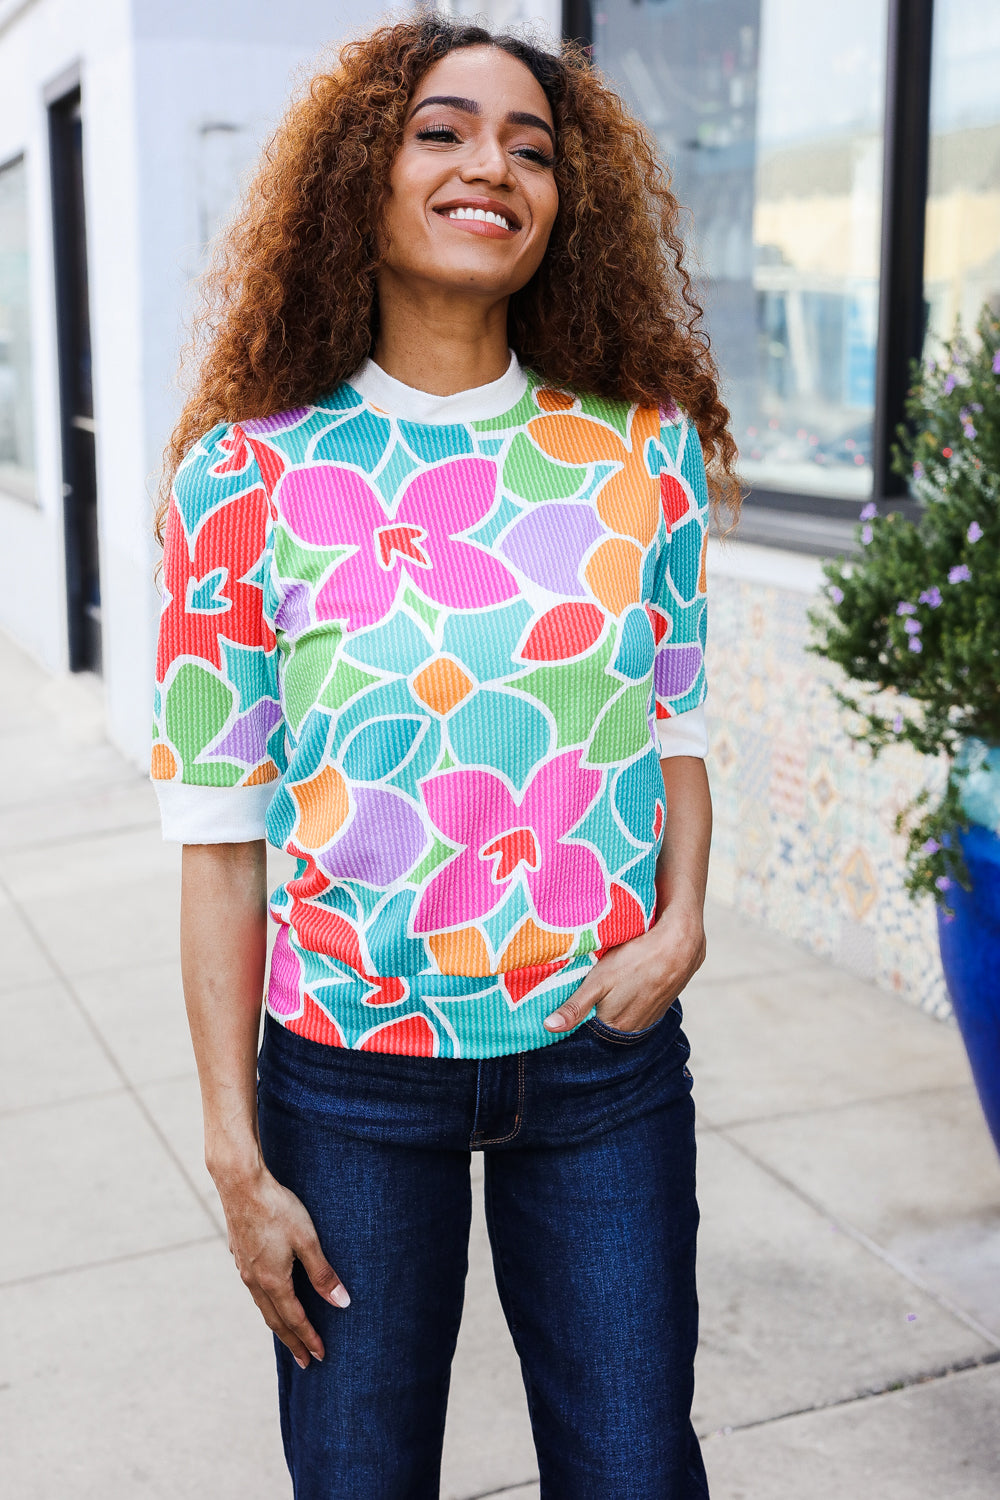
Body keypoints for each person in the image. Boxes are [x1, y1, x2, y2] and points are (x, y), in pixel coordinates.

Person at [151, 17, 738, 1499]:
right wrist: (235, 1155)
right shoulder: (247, 475)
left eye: (531, 148)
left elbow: (674, 731)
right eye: (443, 132)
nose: (493, 166)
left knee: (633, 1470)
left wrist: (683, 923)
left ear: (564, 203)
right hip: (349, 1083)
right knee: (357, 1478)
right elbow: (219, 836)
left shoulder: (641, 454)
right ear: (362, 173)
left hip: (601, 1064)